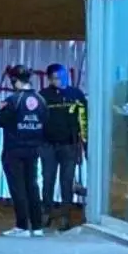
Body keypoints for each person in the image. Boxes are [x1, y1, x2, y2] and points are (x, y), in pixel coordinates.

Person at [0, 66, 49, 244]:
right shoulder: (40, 100)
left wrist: (0, 110)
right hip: (34, 149)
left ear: (14, 81)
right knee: (32, 186)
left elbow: (0, 122)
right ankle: (37, 226)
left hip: (14, 149)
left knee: (18, 187)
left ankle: (22, 226)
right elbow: (45, 121)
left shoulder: (13, 100)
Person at [40, 63, 87, 231]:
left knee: (67, 182)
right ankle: (46, 212)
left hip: (70, 145)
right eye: (56, 78)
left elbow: (84, 120)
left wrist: (85, 145)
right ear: (49, 79)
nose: (60, 81)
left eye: (62, 77)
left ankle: (65, 216)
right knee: (48, 180)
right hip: (47, 146)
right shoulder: (43, 96)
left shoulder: (76, 94)